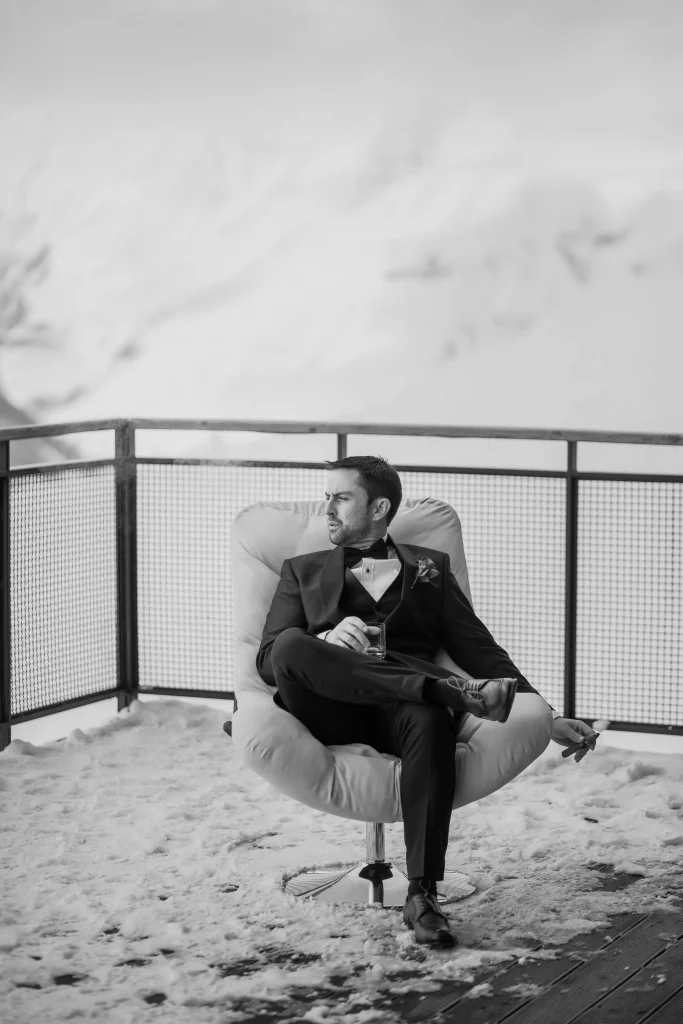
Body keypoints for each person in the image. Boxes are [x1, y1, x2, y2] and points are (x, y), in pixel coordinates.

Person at [256, 455, 599, 947]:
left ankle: (422, 895)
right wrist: (327, 640)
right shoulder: (301, 571)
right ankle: (440, 687)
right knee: (293, 643)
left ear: (379, 507)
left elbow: (480, 650)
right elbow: (269, 659)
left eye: (340, 497)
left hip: (403, 715)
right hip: (325, 709)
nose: (326, 508)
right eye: (326, 496)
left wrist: (549, 714)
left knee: (431, 715)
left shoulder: (429, 571)